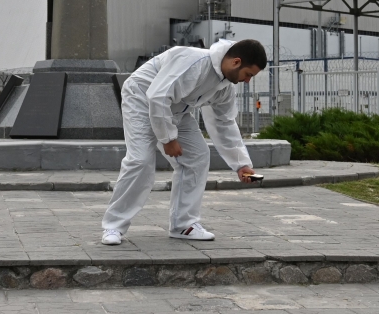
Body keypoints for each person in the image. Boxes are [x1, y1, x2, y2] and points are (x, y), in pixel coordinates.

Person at [101, 38, 267, 245]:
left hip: (177, 110)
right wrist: (168, 138)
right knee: (141, 161)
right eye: (248, 74)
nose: (248, 81)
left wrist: (241, 164)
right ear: (236, 62)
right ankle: (113, 226)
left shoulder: (225, 87)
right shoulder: (193, 61)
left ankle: (184, 225)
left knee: (197, 157)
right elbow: (158, 96)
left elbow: (224, 123)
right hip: (142, 100)